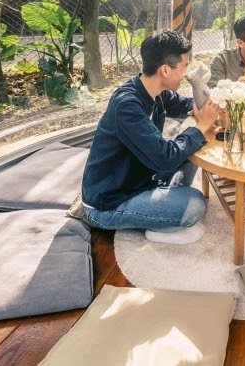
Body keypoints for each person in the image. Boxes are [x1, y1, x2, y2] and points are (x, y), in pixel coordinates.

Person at [81, 31, 220, 244]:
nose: (186, 73)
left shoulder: (155, 91)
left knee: (191, 147)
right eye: (184, 66)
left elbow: (187, 105)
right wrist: (201, 126)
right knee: (194, 203)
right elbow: (164, 158)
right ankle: (159, 217)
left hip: (142, 178)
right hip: (109, 203)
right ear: (165, 70)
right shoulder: (127, 105)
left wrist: (204, 96)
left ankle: (162, 204)